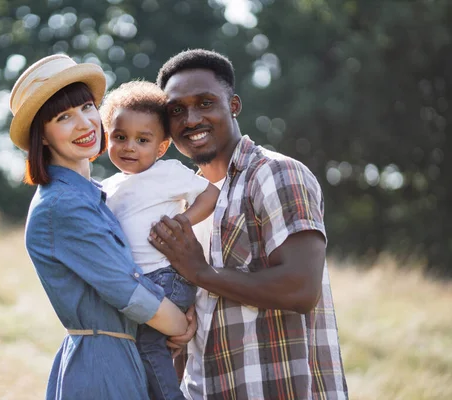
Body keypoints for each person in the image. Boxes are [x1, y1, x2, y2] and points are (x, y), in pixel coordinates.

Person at [149, 49, 349, 399]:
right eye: (176, 110)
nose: (191, 119)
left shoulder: (274, 173)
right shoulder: (184, 205)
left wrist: (200, 272)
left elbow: (300, 290)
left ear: (235, 106)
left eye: (205, 103)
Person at [8, 54, 188, 400]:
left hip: (127, 355)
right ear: (42, 137)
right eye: (64, 117)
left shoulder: (96, 195)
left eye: (87, 108)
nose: (84, 124)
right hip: (101, 368)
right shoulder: (62, 205)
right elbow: (125, 289)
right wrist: (181, 325)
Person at [99, 80, 220, 400]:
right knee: (137, 349)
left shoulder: (168, 172)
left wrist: (184, 220)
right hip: (138, 282)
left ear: (161, 147)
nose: (129, 147)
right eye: (120, 137)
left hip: (167, 278)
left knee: (148, 345)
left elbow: (211, 193)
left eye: (142, 140)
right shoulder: (108, 187)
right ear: (107, 137)